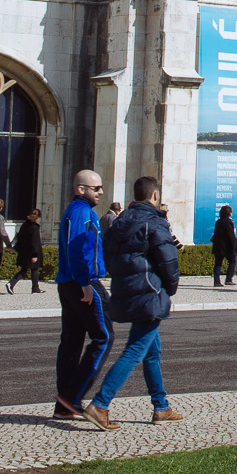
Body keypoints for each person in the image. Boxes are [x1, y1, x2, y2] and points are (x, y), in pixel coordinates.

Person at [83, 175, 182, 430]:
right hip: (149, 292)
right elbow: (169, 261)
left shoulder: (120, 221)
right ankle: (100, 404)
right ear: (155, 196)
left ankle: (161, 407)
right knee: (135, 350)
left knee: (152, 351)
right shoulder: (155, 223)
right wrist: (169, 289)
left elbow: (108, 255)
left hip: (127, 290)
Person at [53, 170, 110, 419]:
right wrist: (85, 282)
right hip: (82, 282)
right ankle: (72, 397)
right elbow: (76, 248)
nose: (101, 192)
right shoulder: (82, 212)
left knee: (72, 342)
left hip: (69, 282)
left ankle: (64, 405)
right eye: (96, 188)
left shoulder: (77, 211)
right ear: (81, 189)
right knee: (103, 337)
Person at [7, 208, 45, 293]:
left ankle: (35, 288)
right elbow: (35, 242)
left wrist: (15, 248)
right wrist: (35, 255)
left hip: (24, 251)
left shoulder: (24, 225)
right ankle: (12, 283)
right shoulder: (34, 227)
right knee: (33, 269)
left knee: (26, 269)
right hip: (31, 252)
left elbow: (19, 238)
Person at [210, 204, 237, 287]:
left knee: (218, 264)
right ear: (229, 213)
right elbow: (231, 236)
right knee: (232, 261)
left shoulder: (218, 222)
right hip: (226, 247)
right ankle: (229, 279)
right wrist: (235, 247)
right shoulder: (229, 222)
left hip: (218, 246)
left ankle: (216, 281)